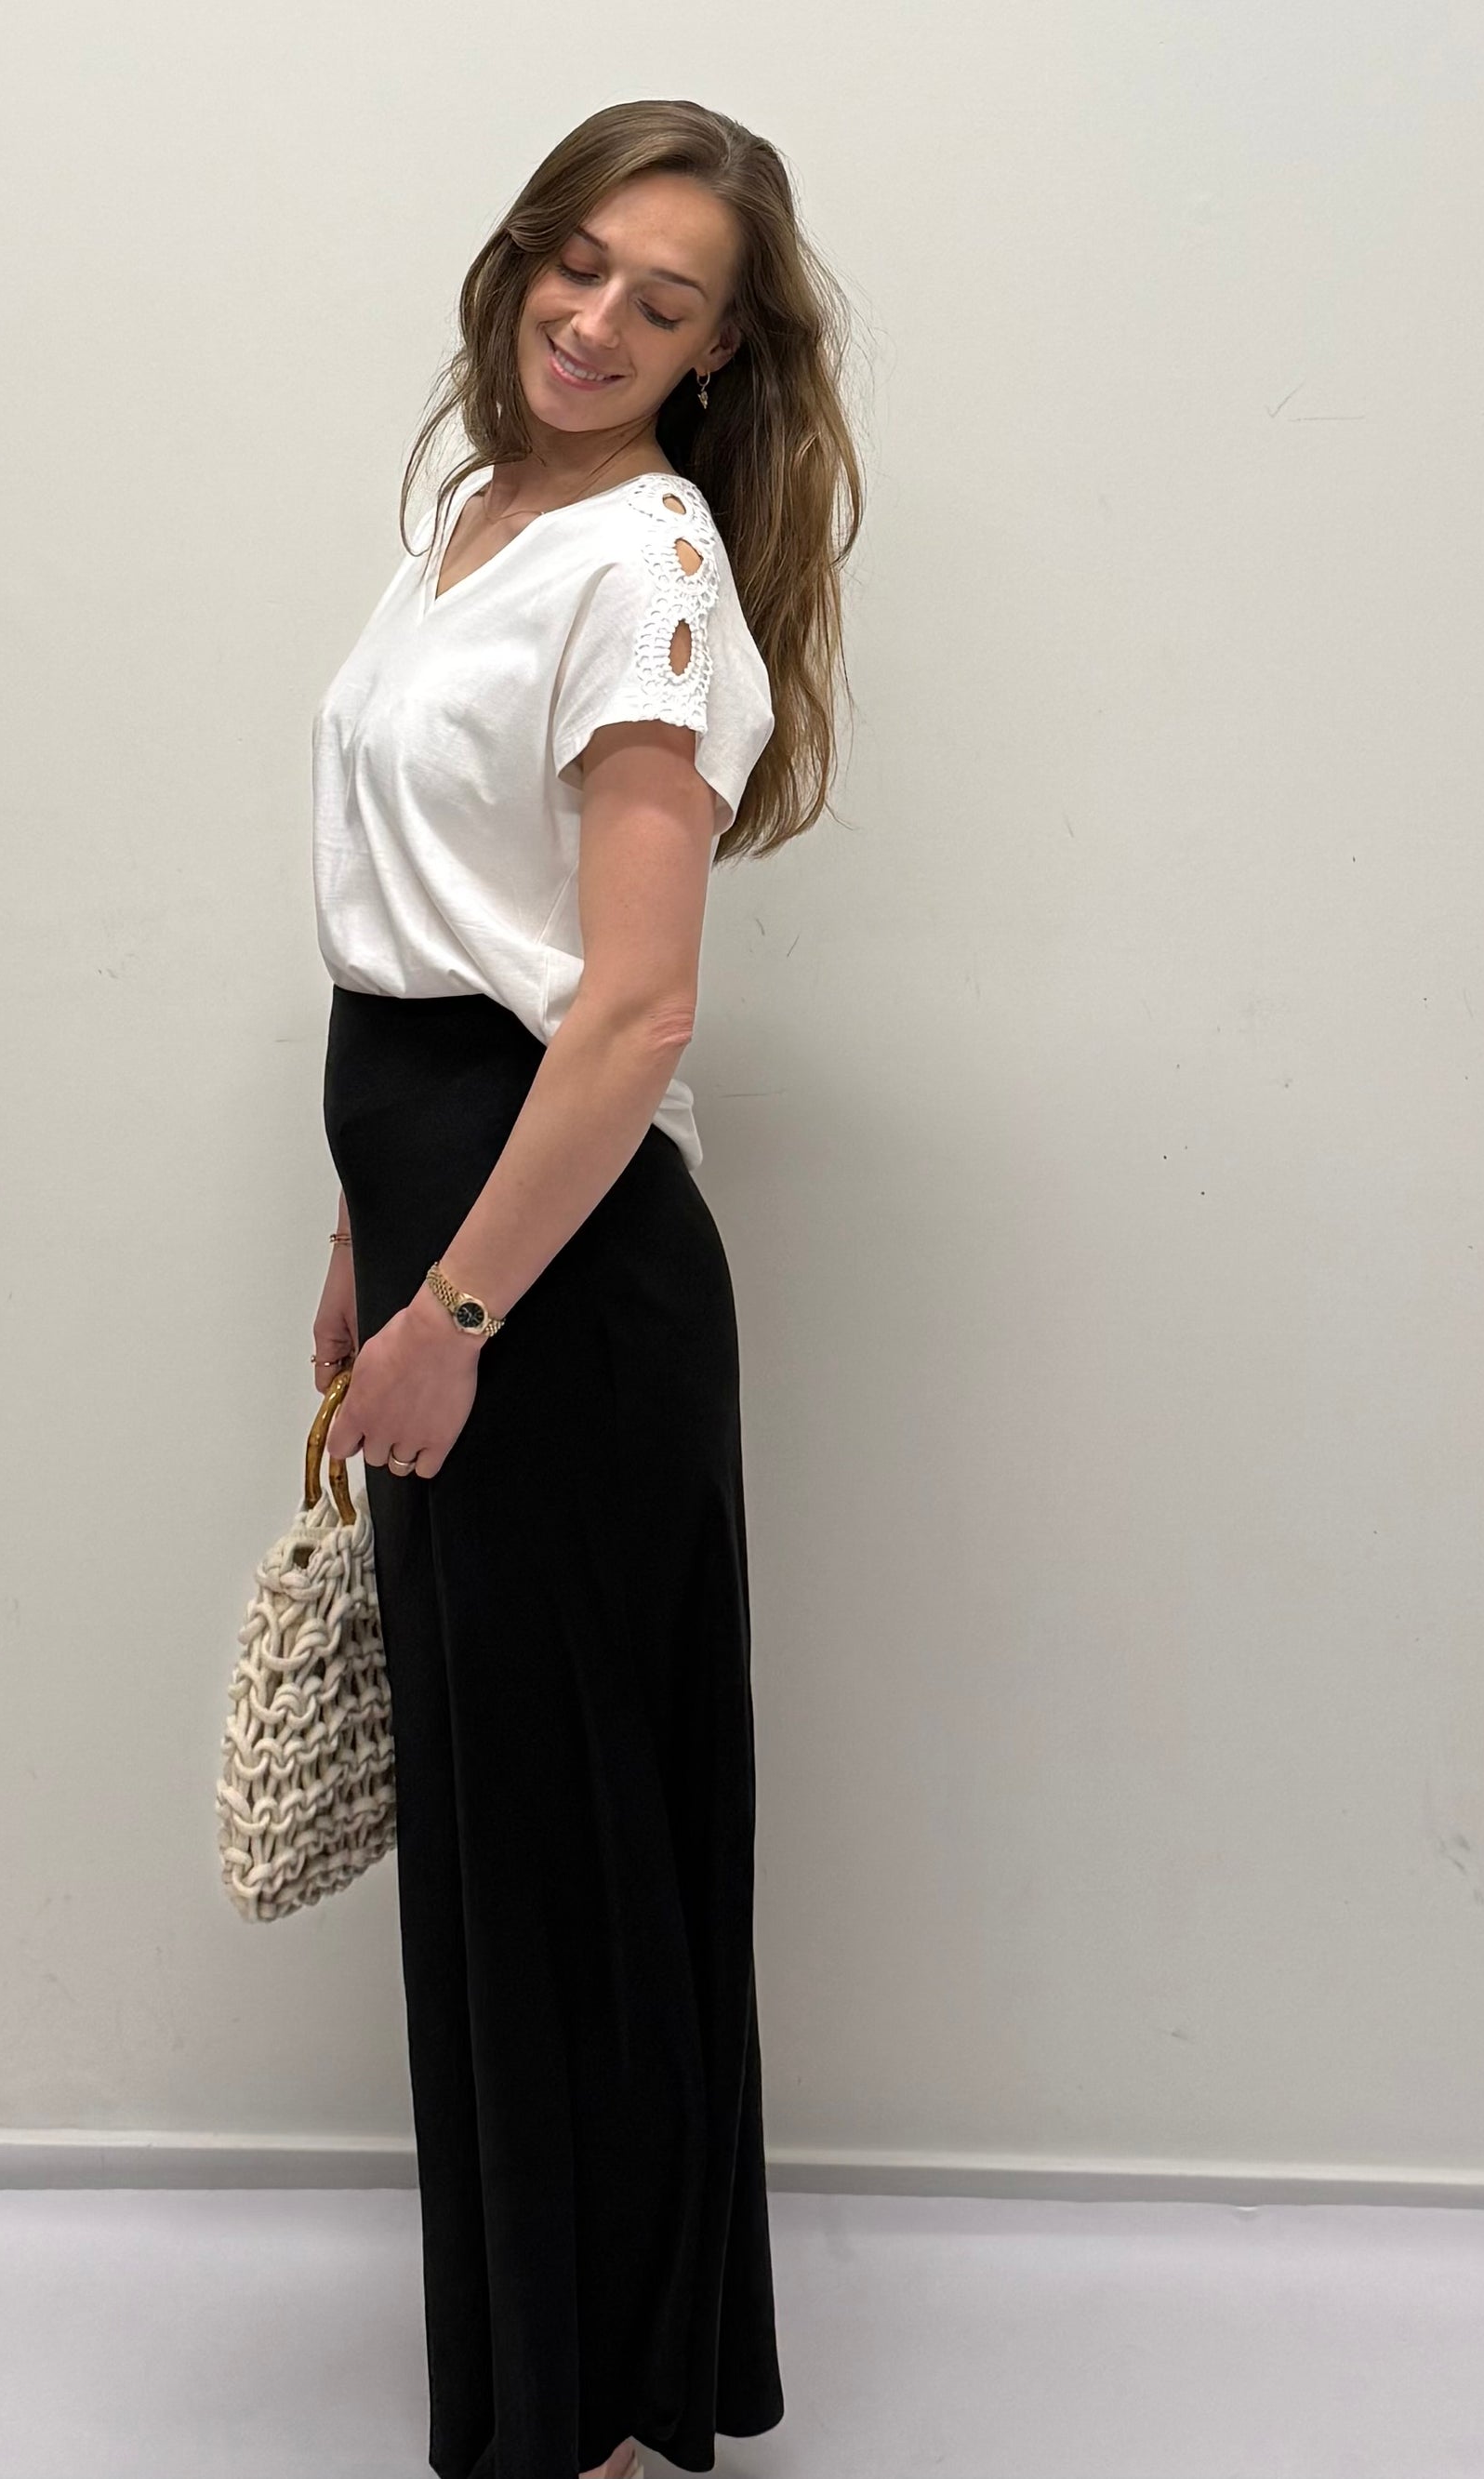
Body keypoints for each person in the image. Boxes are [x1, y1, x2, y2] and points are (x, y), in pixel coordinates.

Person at [308, 98, 862, 2479]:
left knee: (579, 1837)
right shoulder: (469, 516)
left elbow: (627, 1010)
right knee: (500, 1826)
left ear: (723, 352)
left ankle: (609, 2413)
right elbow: (429, 937)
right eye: (577, 258)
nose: (597, 316)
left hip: (557, 1270)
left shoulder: (645, 565)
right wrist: (365, 1238)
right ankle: (550, 2388)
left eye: (666, 299)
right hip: (453, 1208)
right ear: (520, 251)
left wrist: (458, 1309)